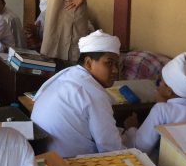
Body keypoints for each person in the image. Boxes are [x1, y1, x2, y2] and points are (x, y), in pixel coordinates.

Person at [31, 29, 124, 157]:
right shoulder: (94, 93)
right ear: (88, 63)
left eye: (117, 64)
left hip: (41, 154)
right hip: (65, 162)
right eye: (109, 63)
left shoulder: (70, 75)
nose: (115, 70)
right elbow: (111, 148)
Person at [124, 53, 186, 157]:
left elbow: (141, 148)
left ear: (169, 91)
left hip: (165, 162)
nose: (158, 86)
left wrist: (131, 128)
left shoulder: (161, 110)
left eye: (160, 82)